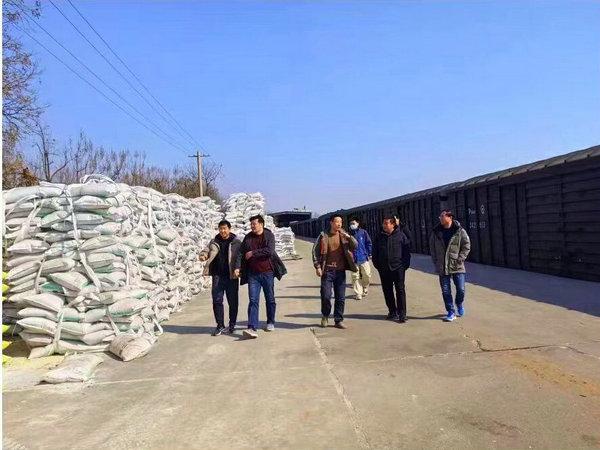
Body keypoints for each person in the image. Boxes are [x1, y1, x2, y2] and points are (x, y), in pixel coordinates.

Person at [235, 214, 287, 339]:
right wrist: (237, 267)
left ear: (261, 224)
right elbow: (241, 253)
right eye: (251, 224)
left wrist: (253, 253)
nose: (252, 226)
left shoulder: (269, 236)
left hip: (268, 273)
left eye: (254, 224)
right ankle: (252, 327)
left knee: (270, 299)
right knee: (253, 300)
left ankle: (270, 322)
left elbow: (269, 250)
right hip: (253, 274)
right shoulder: (248, 237)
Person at [312, 215, 358, 329]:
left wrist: (348, 237)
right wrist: (317, 266)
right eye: (337, 222)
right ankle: (325, 316)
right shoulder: (323, 235)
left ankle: (338, 320)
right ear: (331, 223)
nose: (339, 224)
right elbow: (315, 251)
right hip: (327, 271)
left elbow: (355, 245)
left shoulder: (343, 235)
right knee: (326, 296)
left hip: (340, 271)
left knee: (340, 297)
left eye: (341, 222)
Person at [199, 220, 242, 336]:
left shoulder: (236, 242)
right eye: (220, 229)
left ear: (229, 229)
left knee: (233, 301)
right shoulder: (214, 241)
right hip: (217, 276)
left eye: (224, 228)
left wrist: (239, 269)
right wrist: (203, 255)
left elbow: (240, 256)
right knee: (217, 301)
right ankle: (220, 325)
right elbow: (206, 250)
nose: (222, 231)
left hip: (231, 276)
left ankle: (232, 324)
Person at [429, 210, 471, 322]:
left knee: (461, 289)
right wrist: (436, 261)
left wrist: (460, 258)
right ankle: (451, 311)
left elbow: (466, 245)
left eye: (442, 216)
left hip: (457, 265)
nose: (440, 218)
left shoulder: (459, 231)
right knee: (446, 290)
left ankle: (459, 303)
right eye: (440, 216)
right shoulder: (436, 232)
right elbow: (432, 248)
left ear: (450, 217)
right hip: (442, 266)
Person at [372, 216, 411, 323]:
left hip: (398, 268)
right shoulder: (379, 236)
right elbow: (375, 252)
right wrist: (377, 265)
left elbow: (406, 252)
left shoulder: (400, 235)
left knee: (400, 290)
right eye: (383, 223)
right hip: (384, 268)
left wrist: (404, 265)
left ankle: (402, 314)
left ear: (393, 224)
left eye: (386, 223)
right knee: (387, 291)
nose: (384, 225)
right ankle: (392, 312)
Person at [348, 217, 372, 300]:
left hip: (363, 257)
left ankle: (365, 286)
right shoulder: (348, 234)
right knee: (355, 276)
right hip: (353, 259)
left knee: (367, 274)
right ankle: (358, 293)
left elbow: (368, 243)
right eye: (351, 224)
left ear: (358, 223)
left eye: (353, 223)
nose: (352, 225)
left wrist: (369, 253)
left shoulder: (363, 232)